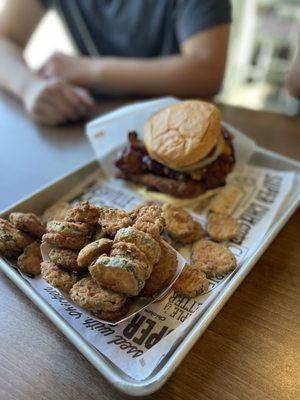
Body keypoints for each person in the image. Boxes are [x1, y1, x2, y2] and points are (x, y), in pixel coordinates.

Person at [0, 0, 231, 126]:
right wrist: (28, 85)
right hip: (94, 122)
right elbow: (4, 37)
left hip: (182, 120)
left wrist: (91, 69)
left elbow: (207, 71)